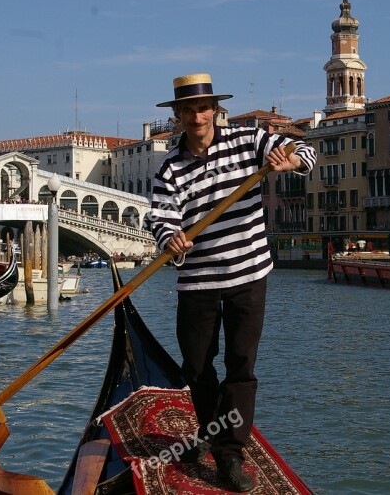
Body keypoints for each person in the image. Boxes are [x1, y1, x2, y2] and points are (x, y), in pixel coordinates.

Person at [148, 73, 316, 491]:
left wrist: (289, 161)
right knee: (198, 366)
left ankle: (229, 453)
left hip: (248, 273)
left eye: (202, 108)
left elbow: (306, 152)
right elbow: (159, 216)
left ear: (214, 111)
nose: (196, 116)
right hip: (198, 279)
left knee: (241, 366)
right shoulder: (171, 167)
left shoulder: (248, 140)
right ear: (178, 116)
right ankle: (212, 428)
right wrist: (172, 236)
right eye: (187, 110)